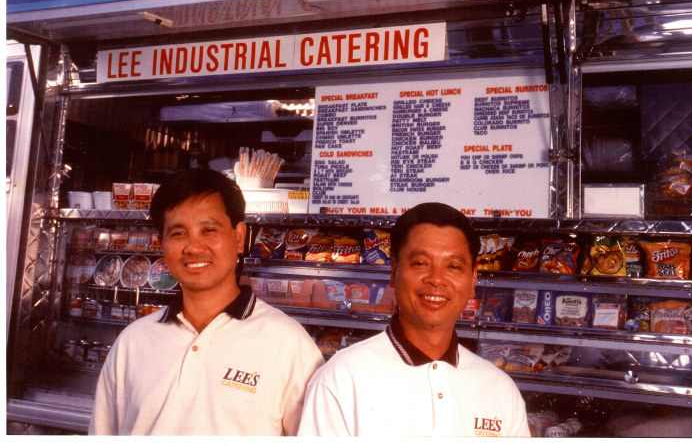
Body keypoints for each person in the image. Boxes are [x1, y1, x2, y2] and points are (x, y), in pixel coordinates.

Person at [89, 168, 324, 435]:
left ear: (238, 237)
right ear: (161, 244)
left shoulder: (289, 344)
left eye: (209, 230)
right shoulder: (132, 343)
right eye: (178, 233)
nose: (194, 247)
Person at [298, 202, 529, 437]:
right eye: (420, 263)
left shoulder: (501, 391)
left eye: (454, 266)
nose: (436, 279)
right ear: (394, 272)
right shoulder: (341, 380)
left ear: (472, 281)